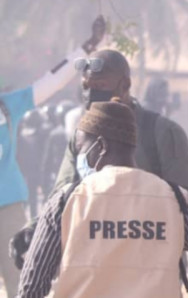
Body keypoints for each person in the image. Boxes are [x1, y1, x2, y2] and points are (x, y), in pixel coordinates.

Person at [17, 100, 188, 298]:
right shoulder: (178, 201)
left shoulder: (66, 201)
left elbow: (31, 288)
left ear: (100, 146)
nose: (80, 158)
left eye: (81, 149)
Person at [0, 16, 104, 297]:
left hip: (8, 206)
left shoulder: (9, 106)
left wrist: (87, 47)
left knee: (19, 278)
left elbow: (52, 80)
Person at [52, 49, 188, 201]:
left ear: (125, 85)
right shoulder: (81, 136)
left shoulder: (163, 133)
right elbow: (60, 198)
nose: (90, 94)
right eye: (86, 87)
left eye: (100, 86)